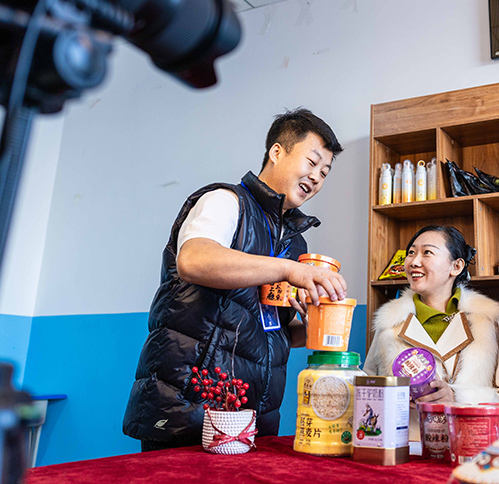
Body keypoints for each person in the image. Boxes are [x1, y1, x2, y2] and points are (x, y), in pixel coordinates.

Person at [123, 108, 348, 451]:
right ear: (277, 152)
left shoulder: (293, 241)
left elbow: (269, 330)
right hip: (187, 406)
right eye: (311, 162)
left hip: (251, 414)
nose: (316, 177)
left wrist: (315, 324)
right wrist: (288, 269)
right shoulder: (226, 201)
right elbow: (194, 261)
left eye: (325, 172)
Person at [364, 225, 499, 439]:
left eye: (427, 252)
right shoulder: (389, 325)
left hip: (471, 449)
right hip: (405, 449)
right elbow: (368, 389)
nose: (414, 261)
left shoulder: (489, 322)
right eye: (411, 253)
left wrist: (457, 396)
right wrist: (393, 395)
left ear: (456, 266)